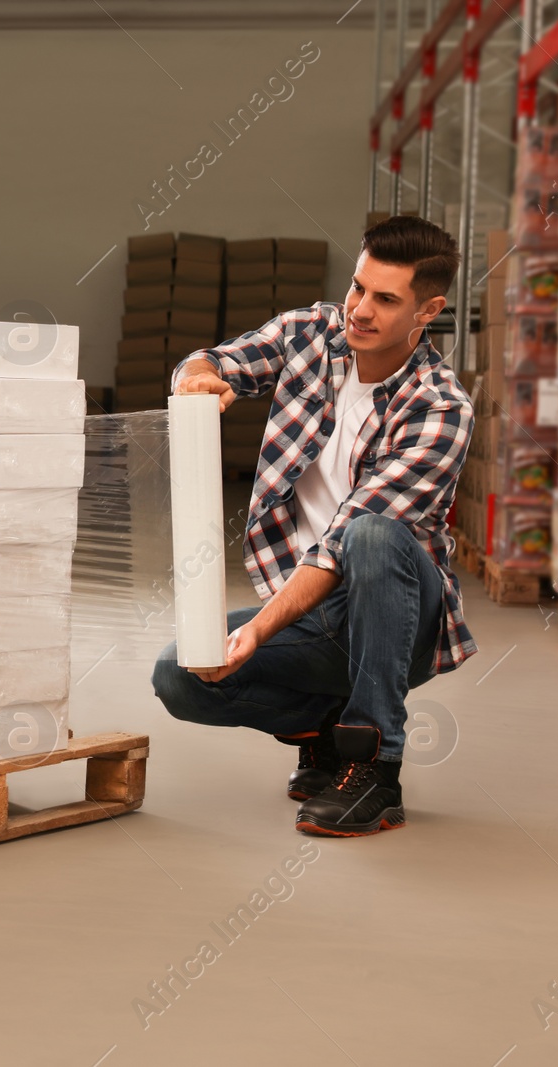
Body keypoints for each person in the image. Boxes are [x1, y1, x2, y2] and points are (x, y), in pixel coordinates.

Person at [150, 215, 476, 837]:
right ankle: (323, 730)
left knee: (370, 536)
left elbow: (342, 543)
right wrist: (193, 376)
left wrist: (259, 631)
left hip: (396, 611)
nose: (359, 310)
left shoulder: (439, 407)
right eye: (357, 288)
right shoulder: (311, 334)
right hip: (311, 614)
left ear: (427, 310)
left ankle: (374, 767)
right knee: (179, 677)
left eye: (385, 300)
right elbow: (216, 360)